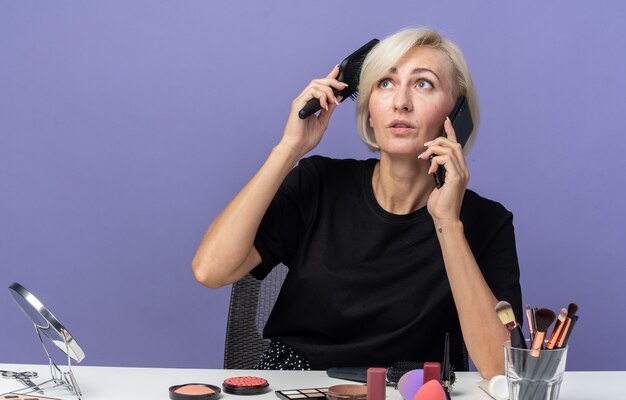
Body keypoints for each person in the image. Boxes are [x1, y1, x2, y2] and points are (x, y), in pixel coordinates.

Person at [192, 27, 523, 378]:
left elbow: (502, 370)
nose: (401, 102)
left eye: (423, 84)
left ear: (457, 116)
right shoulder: (317, 183)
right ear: (367, 112)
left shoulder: (486, 222)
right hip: (295, 389)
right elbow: (210, 270)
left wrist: (447, 224)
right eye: (385, 83)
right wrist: (289, 150)